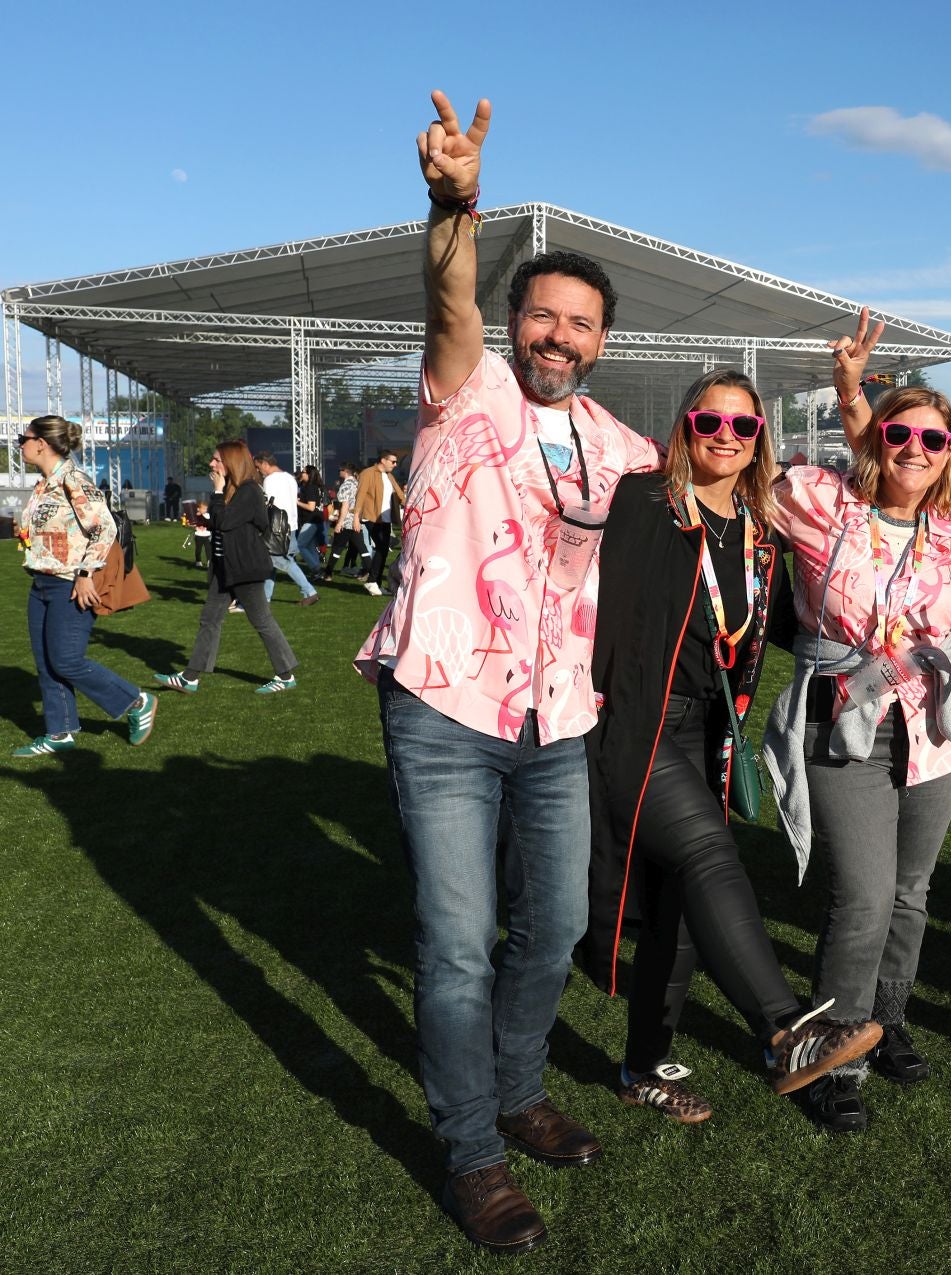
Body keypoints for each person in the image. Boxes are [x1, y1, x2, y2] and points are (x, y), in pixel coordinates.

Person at [352, 91, 655, 1255]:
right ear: (514, 320)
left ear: (602, 342)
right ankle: (472, 1150)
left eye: (580, 325)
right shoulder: (460, 385)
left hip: (557, 719)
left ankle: (521, 1088)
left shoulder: (622, 449)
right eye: (543, 317)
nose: (558, 337)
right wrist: (453, 206)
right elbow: (446, 297)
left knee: (560, 922)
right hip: (442, 702)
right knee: (457, 936)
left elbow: (722, 495)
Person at [582, 366, 882, 1129]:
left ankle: (641, 1066)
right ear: (685, 428)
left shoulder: (760, 536)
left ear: (759, 442)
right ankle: (787, 1029)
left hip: (705, 733)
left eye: (742, 426)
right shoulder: (645, 502)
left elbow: (853, 517)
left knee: (682, 912)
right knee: (713, 855)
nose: (725, 436)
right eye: (708, 422)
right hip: (633, 724)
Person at [762, 383, 951, 1133]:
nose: (915, 451)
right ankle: (833, 1048)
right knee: (862, 894)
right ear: (874, 437)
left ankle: (886, 1019)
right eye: (901, 435)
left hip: (936, 728)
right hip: (845, 721)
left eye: (934, 440)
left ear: (949, 452)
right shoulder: (820, 501)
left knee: (911, 889)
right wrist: (853, 396)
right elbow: (736, 479)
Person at [12, 415, 158, 758]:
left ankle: (137, 701)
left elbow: (104, 528)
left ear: (42, 443)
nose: (20, 444)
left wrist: (85, 574)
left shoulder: (73, 480)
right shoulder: (43, 484)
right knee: (47, 662)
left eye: (24, 437)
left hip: (71, 584)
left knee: (65, 660)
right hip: (42, 582)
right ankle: (59, 732)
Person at [153, 442, 301, 696]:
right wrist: (219, 495)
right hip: (224, 569)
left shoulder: (249, 490)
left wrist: (218, 491)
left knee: (262, 621)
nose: (211, 464)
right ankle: (190, 678)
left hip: (245, 568)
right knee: (209, 620)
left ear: (231, 462)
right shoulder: (234, 490)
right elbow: (217, 520)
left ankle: (286, 676)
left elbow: (223, 522)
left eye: (216, 460)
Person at [255, 453, 318, 607]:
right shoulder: (290, 478)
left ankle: (310, 591)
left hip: (277, 527)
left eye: (258, 467)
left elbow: (269, 504)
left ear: (264, 463)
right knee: (271, 561)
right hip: (291, 525)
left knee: (281, 560)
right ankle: (266, 597)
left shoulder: (270, 480)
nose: (258, 471)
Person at [355, 450, 405, 595]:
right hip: (371, 517)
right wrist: (356, 518)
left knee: (383, 550)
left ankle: (376, 583)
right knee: (382, 548)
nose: (395, 465)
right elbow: (360, 495)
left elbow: (400, 495)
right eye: (393, 461)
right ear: (383, 460)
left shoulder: (389, 476)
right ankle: (371, 581)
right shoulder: (367, 473)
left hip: (385, 519)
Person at [325, 461, 365, 581]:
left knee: (337, 548)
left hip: (347, 521)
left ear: (345, 472)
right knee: (362, 549)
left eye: (340, 470)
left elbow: (345, 506)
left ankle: (328, 573)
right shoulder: (358, 484)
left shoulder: (346, 485)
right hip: (356, 520)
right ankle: (368, 572)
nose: (339, 472)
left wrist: (339, 523)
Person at [293, 463, 328, 574]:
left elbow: (311, 507)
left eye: (303, 472)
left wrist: (297, 502)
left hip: (311, 520)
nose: (301, 474)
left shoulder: (310, 487)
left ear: (309, 474)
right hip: (317, 519)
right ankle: (317, 570)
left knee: (300, 545)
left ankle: (315, 569)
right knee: (311, 546)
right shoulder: (316, 486)